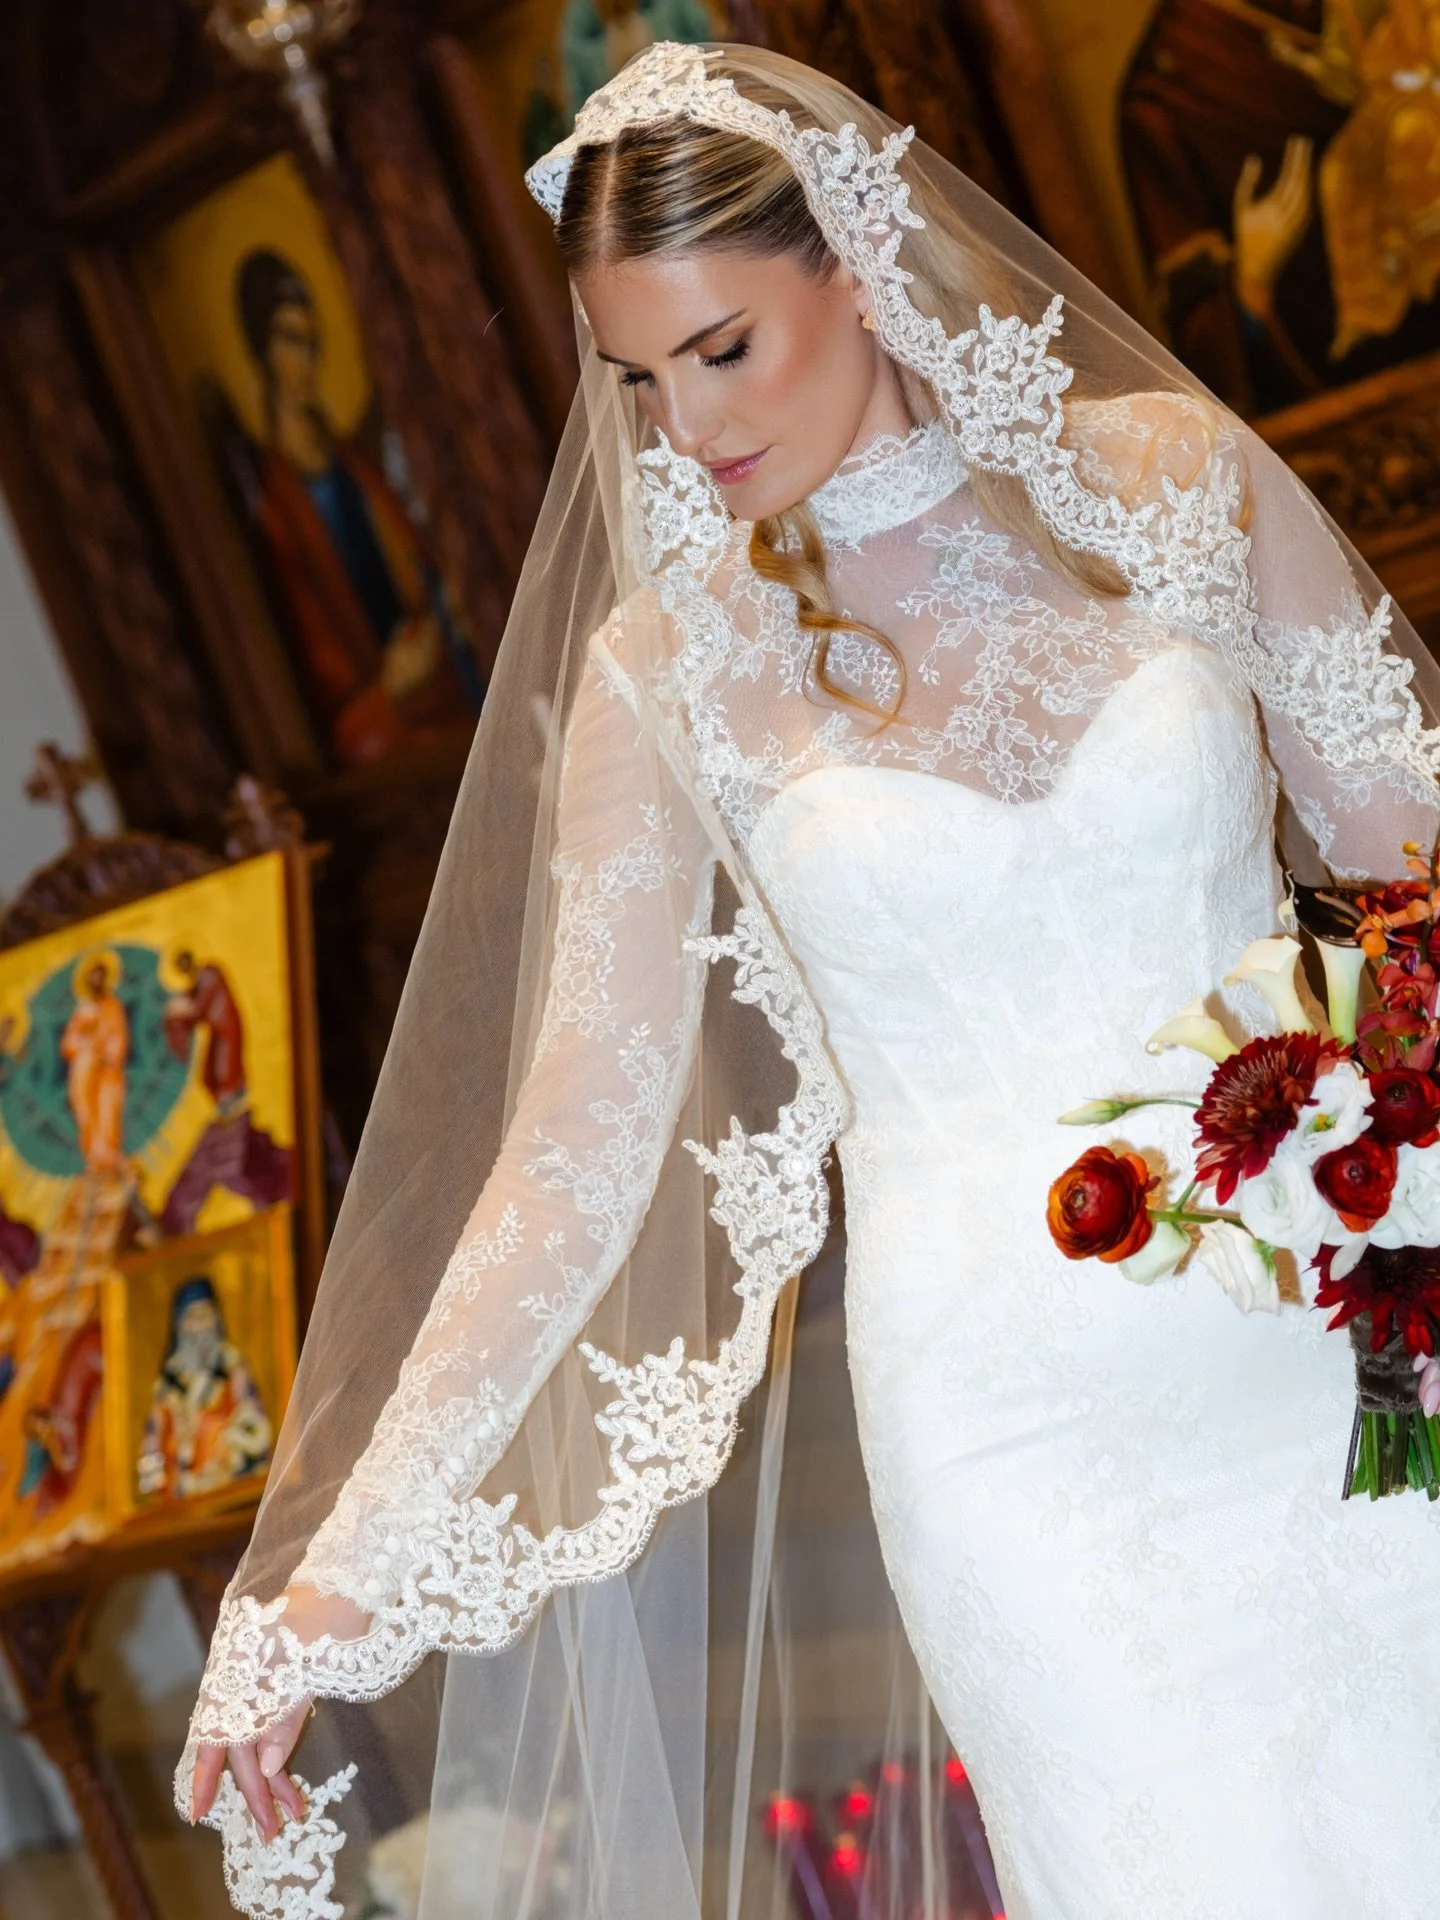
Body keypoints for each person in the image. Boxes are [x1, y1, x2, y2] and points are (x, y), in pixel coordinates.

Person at [182, 45, 1440, 1919]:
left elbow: (1413, 884)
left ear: (856, 260)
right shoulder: (668, 673)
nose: (685, 426)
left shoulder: (1175, 482)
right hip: (1014, 1446)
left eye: (722, 349)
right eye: (638, 377)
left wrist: (1385, 1171)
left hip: (1336, 1343)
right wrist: (335, 1582)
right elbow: (575, 1155)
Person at [136, 1276, 272, 1503]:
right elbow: (151, 1446)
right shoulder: (166, 1387)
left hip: (230, 1486)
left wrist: (226, 1442)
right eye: (192, 1317)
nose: (200, 1325)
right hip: (180, 1499)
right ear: (180, 1326)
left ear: (216, 1318)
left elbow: (255, 1427)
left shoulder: (233, 1368)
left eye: (205, 1315)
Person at [60, 953, 128, 1176]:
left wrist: (106, 1053)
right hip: (83, 1073)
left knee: (107, 1114)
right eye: (92, 976)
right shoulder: (82, 1009)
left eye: (100, 976)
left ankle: (109, 1158)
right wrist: (85, 1040)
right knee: (86, 1115)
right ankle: (93, 1161)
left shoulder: (112, 1006)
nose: (96, 980)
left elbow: (118, 1038)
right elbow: (68, 1044)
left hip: (106, 1073)